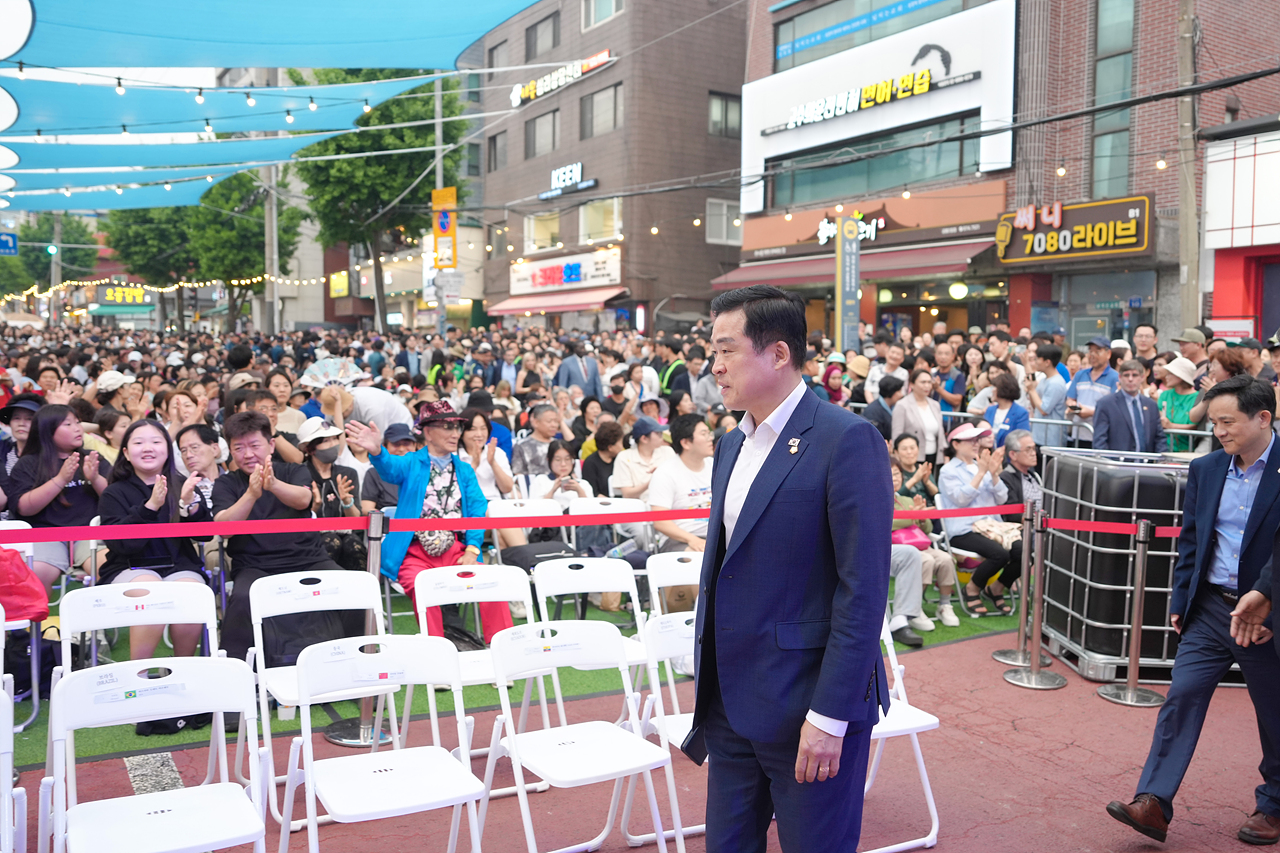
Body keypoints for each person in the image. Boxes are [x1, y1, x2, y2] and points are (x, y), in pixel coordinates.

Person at [683, 284, 891, 851]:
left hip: (808, 708)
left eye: (726, 350)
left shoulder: (847, 440)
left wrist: (830, 716)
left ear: (777, 353)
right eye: (713, 351)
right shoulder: (731, 445)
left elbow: (863, 590)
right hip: (730, 703)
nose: (715, 366)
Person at [1107, 375, 1280, 846]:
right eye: (1214, 423)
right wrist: (1181, 600)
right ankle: (1152, 802)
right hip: (1209, 610)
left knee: (1273, 714)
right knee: (1181, 696)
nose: (1218, 431)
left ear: (1263, 418)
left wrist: (1266, 595)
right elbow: (1192, 540)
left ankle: (1274, 805)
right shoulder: (1206, 468)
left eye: (1228, 422)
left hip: (1266, 616)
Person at [345, 403, 514, 643]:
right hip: (413, 552)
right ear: (427, 432)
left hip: (456, 549)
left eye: (456, 427)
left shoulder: (465, 470)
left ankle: (503, 647)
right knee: (423, 586)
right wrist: (377, 451)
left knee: (490, 582)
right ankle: (437, 651)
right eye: (446, 427)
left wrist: (472, 549)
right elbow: (390, 470)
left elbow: (478, 510)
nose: (454, 433)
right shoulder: (411, 462)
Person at [212, 411, 348, 664]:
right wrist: (251, 495)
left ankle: (357, 661)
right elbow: (224, 528)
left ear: (271, 445)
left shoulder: (294, 470)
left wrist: (272, 484)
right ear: (230, 451)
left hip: (308, 560)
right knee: (242, 597)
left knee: (349, 587)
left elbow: (304, 499)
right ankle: (237, 670)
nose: (248, 454)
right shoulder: (226, 484)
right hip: (254, 566)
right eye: (239, 448)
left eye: (255, 445)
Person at [98, 420, 211, 660]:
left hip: (178, 566)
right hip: (130, 568)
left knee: (192, 593)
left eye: (156, 442)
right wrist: (150, 507)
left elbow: (205, 534)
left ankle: (182, 668)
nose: (148, 448)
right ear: (126, 453)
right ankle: (138, 673)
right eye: (139, 442)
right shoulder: (114, 492)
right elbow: (120, 545)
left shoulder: (182, 485)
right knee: (153, 591)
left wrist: (190, 505)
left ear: (168, 451)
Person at [10, 404, 111, 591]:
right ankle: (38, 612)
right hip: (45, 536)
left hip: (89, 534)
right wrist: (60, 479)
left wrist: (96, 478)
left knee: (107, 568)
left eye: (77, 422)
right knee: (37, 572)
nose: (77, 428)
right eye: (68, 424)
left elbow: (114, 501)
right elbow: (24, 508)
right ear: (47, 431)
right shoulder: (28, 464)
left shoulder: (92, 459)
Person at [938, 422, 1021, 616]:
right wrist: (983, 472)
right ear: (956, 444)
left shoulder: (980, 466)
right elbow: (961, 499)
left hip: (992, 527)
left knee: (1024, 553)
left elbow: (1002, 498)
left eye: (977, 440)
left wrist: (993, 474)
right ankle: (972, 588)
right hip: (964, 529)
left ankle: (996, 588)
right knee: (999, 554)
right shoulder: (948, 470)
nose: (976, 444)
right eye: (970, 440)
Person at [890, 463, 959, 627]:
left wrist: (921, 519)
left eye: (897, 474)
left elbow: (926, 529)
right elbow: (888, 524)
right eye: (891, 474)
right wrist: (913, 516)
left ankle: (944, 605)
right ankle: (914, 608)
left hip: (919, 544)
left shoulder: (907, 500)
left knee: (946, 559)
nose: (895, 478)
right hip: (896, 548)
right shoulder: (877, 501)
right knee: (926, 560)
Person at [648, 413, 713, 553]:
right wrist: (692, 539)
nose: (710, 438)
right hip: (679, 539)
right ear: (686, 443)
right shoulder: (665, 473)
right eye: (704, 434)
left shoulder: (715, 465)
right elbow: (659, 521)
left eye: (709, 433)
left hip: (715, 536)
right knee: (701, 557)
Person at [1093, 360, 1168, 453]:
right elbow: (1100, 441)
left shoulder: (1151, 405)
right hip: (1117, 460)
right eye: (1126, 375)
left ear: (1142, 377)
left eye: (1135, 375)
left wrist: (1162, 459)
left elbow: (1159, 438)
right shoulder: (1106, 404)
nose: (1130, 379)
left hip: (1146, 460)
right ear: (1120, 377)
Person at [1065, 337, 1120, 448]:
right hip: (1079, 433)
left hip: (1101, 436)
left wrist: (1091, 412)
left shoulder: (1115, 377)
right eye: (1090, 351)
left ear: (1108, 354)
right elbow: (1070, 398)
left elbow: (1116, 407)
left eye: (1098, 351)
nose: (1093, 355)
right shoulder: (1080, 375)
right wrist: (1072, 405)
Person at [613, 416, 676, 502]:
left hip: (668, 503)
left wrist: (663, 472)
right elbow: (627, 494)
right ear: (644, 439)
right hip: (638, 506)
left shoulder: (668, 451)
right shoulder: (624, 457)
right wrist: (653, 480)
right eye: (658, 433)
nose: (662, 436)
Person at [892, 369, 946, 466]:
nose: (927, 386)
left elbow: (940, 432)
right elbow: (897, 434)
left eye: (929, 382)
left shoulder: (935, 405)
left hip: (934, 455)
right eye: (923, 382)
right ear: (912, 384)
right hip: (912, 457)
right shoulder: (902, 405)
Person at [360, 422, 416, 511]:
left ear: (414, 446)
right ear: (385, 447)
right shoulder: (373, 473)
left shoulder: (427, 470)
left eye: (406, 444)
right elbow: (366, 508)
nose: (401, 449)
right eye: (396, 444)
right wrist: (386, 515)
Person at [1025, 343, 1068, 448]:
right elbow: (1036, 406)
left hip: (1051, 439)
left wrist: (1032, 390)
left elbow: (1044, 409)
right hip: (1038, 436)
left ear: (1047, 362)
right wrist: (1031, 390)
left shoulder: (1056, 383)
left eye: (1038, 359)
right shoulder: (1044, 380)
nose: (1035, 362)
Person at [1158, 357, 1204, 453]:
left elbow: (1195, 425)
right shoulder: (1164, 395)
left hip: (1188, 451)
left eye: (1170, 373)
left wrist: (1171, 426)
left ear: (1179, 376)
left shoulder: (1196, 397)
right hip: (1164, 450)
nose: (1166, 376)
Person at [510, 403, 561, 486]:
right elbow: (518, 474)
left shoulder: (559, 444)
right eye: (549, 421)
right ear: (536, 422)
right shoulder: (522, 446)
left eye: (556, 421)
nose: (554, 425)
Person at [999, 430, 1043, 520]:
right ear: (1013, 454)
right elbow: (1013, 514)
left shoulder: (1034, 476)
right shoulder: (1005, 478)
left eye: (1034, 448)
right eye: (1028, 450)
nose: (1033, 453)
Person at [983, 373, 1031, 449]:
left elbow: (1022, 439)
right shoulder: (990, 410)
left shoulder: (1020, 413)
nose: (992, 390)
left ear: (1003, 389)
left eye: (995, 387)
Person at [581, 420, 624, 500]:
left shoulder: (620, 459)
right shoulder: (590, 463)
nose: (622, 447)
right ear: (610, 447)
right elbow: (593, 492)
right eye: (620, 443)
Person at [893, 434, 938, 503]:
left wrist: (927, 482)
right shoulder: (895, 472)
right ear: (896, 452)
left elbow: (937, 495)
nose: (909, 452)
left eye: (912, 448)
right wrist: (915, 479)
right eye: (904, 449)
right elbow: (895, 497)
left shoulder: (922, 469)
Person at [861, 374, 902, 441]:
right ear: (891, 392)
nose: (901, 394)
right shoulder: (873, 411)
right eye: (899, 391)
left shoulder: (895, 407)